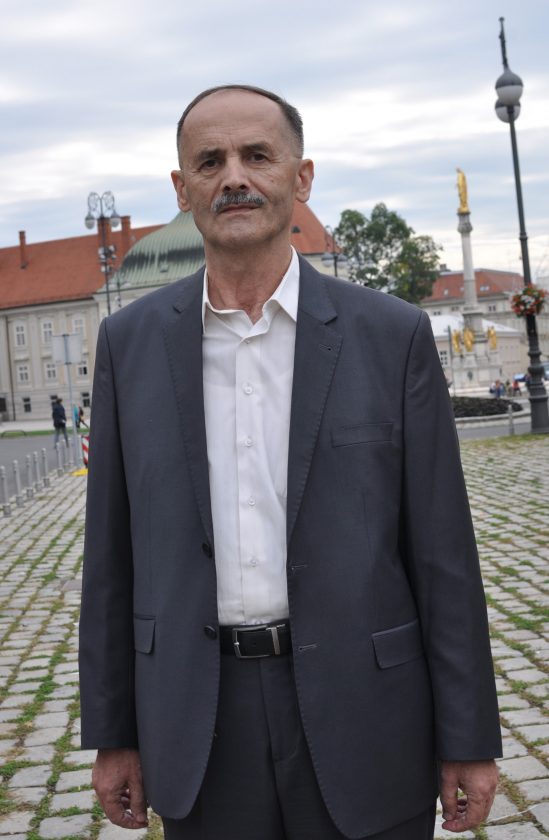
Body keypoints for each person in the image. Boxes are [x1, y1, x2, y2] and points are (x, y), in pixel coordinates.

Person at [79, 85, 501, 840]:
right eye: (210, 162)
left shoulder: (391, 336)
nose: (234, 178)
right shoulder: (128, 345)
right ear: (181, 188)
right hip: (199, 719)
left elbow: (442, 554)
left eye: (257, 156)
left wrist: (468, 736)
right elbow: (110, 558)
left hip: (367, 709)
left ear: (300, 177)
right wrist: (113, 733)